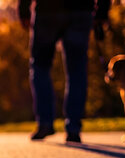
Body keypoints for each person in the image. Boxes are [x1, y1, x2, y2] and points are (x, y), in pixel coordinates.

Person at [20, 0, 110, 143]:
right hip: (80, 11)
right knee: (77, 71)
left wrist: (24, 9)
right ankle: (73, 127)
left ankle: (45, 122)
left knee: (40, 67)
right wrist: (102, 11)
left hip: (47, 11)